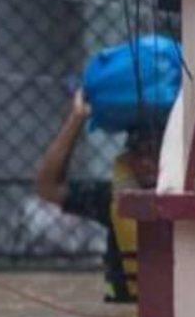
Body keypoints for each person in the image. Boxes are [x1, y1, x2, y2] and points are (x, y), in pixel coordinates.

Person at [34, 89, 160, 303]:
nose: (147, 163)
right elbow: (48, 187)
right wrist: (76, 120)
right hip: (121, 311)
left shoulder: (192, 201)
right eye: (139, 153)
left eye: (155, 153)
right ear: (128, 158)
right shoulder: (111, 199)